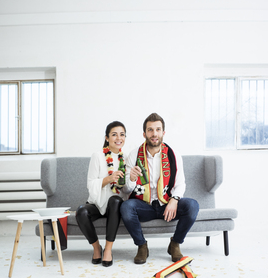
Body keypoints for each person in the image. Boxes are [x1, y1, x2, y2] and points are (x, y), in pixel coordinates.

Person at [120, 113, 199, 264]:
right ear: (144, 134)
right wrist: (131, 178)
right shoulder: (134, 155)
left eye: (158, 129)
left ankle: (175, 244)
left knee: (192, 205)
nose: (154, 134)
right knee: (126, 207)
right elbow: (125, 190)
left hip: (166, 205)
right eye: (150, 130)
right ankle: (142, 246)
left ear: (163, 133)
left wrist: (174, 200)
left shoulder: (174, 155)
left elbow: (180, 184)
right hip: (144, 206)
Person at [76, 121, 128, 267]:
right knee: (81, 212)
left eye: (122, 134)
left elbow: (127, 189)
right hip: (97, 203)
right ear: (107, 138)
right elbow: (90, 184)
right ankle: (97, 248)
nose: (119, 138)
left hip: (115, 207)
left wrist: (129, 180)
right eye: (114, 134)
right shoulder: (97, 156)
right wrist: (108, 179)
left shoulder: (126, 159)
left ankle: (108, 250)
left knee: (115, 200)